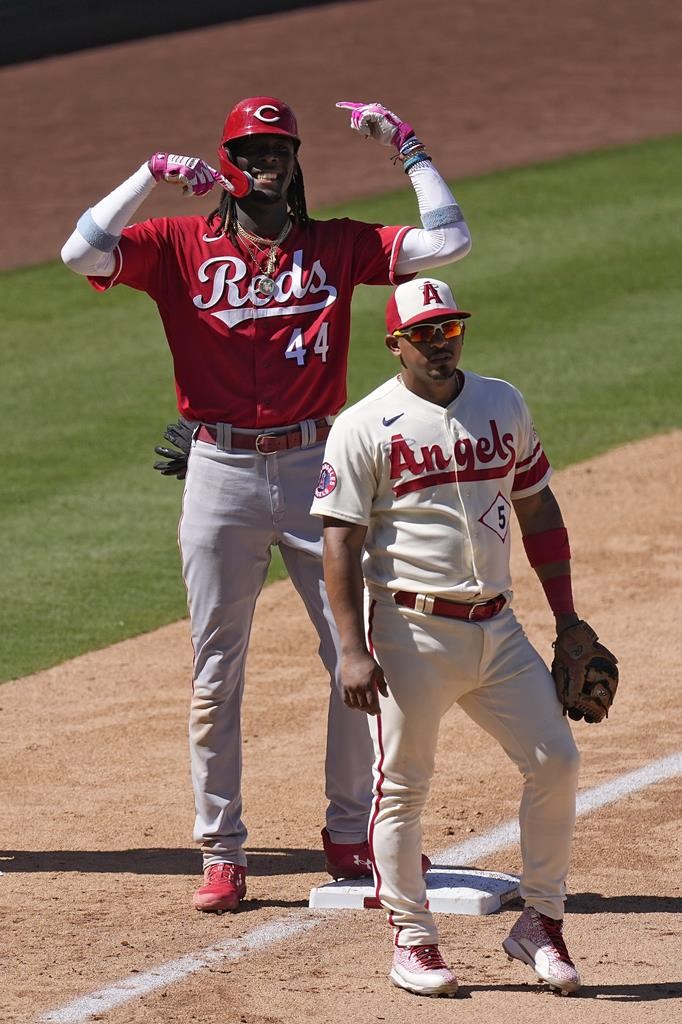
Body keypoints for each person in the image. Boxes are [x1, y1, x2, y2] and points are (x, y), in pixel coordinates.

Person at [60, 98, 472, 913]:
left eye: (278, 149)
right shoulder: (180, 245)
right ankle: (222, 851)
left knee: (354, 659)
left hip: (321, 466)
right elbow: (80, 252)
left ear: (294, 161)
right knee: (217, 673)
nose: (265, 163)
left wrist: (406, 144)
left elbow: (449, 240)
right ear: (227, 160)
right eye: (250, 150)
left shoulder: (336, 244)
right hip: (219, 471)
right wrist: (150, 173)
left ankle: (351, 831)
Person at [311, 276, 589, 997]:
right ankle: (413, 938)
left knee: (556, 759)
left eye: (450, 330)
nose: (440, 344)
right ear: (395, 343)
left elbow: (538, 507)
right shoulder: (364, 425)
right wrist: (349, 647)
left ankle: (542, 924)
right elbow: (338, 542)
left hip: (498, 626)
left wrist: (567, 621)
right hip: (409, 630)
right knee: (402, 786)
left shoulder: (503, 401)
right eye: (424, 334)